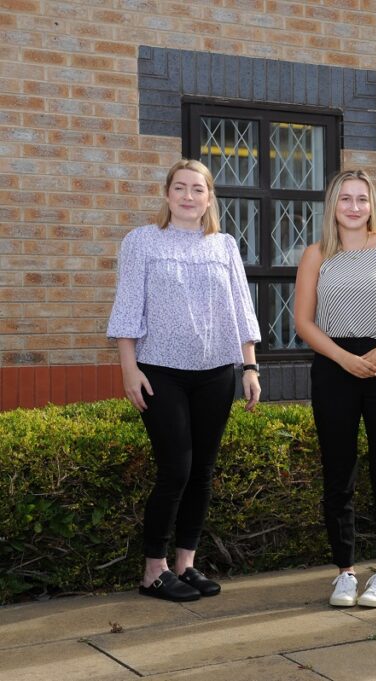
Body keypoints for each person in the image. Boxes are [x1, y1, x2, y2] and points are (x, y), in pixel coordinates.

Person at [107, 159, 262, 602]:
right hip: (159, 372)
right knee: (175, 468)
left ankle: (185, 565)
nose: (188, 196)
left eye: (198, 189)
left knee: (202, 472)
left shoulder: (224, 245)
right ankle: (152, 571)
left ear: (209, 198)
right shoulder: (142, 241)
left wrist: (249, 366)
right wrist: (128, 368)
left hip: (216, 372)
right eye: (180, 187)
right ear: (167, 193)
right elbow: (127, 308)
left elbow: (241, 307)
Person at [294, 169, 376, 609]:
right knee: (338, 472)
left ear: (372, 205)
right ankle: (344, 572)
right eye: (345, 199)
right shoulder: (316, 255)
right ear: (333, 205)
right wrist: (342, 358)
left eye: (361, 199)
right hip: (333, 366)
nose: (353, 207)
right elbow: (304, 323)